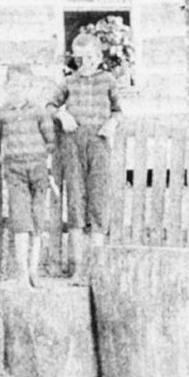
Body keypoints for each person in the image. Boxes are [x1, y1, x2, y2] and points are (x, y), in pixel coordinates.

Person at [49, 33, 123, 280]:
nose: (86, 63)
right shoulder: (69, 82)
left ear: (99, 56)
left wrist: (112, 123)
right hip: (73, 145)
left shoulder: (108, 80)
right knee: (76, 203)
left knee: (98, 201)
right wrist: (62, 115)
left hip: (99, 144)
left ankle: (97, 270)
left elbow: (118, 110)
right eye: (80, 59)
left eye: (90, 57)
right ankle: (79, 269)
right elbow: (49, 106)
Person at [0, 64, 56, 288]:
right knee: (21, 222)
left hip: (38, 170)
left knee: (37, 221)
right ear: (6, 87)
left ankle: (34, 270)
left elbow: (51, 140)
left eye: (23, 86)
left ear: (30, 87)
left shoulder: (39, 112)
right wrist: (2, 159)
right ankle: (22, 273)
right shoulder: (0, 114)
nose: (18, 90)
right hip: (15, 172)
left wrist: (46, 163)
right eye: (14, 85)